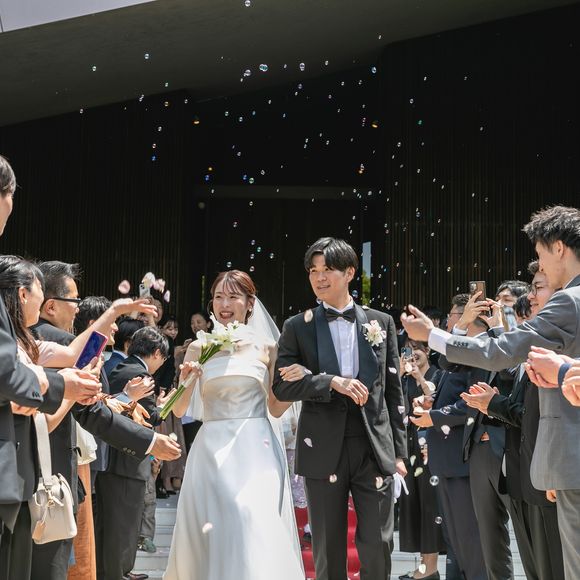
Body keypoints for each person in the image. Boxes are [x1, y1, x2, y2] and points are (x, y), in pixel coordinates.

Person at [401, 205, 580, 579]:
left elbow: (501, 351)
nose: (540, 266)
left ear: (559, 248)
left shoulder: (569, 300)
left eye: (540, 254)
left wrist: (433, 335)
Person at [273, 237, 407, 580]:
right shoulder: (297, 327)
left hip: (372, 445)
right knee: (328, 548)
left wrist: (399, 453)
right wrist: (329, 381)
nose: (319, 278)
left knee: (378, 543)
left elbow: (393, 393)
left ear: (349, 273)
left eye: (328, 270)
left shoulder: (381, 322)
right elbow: (282, 387)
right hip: (321, 444)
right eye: (313, 271)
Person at [164, 270, 304, 580]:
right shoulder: (199, 347)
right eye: (218, 297)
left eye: (232, 297)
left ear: (249, 303)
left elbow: (275, 408)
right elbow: (181, 408)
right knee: (216, 528)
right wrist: (186, 379)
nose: (224, 305)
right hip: (212, 449)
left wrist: (295, 386)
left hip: (256, 447)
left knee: (249, 517)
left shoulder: (267, 347)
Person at [462, 261, 564, 580]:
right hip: (517, 470)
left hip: (542, 471)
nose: (517, 320)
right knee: (529, 561)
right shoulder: (520, 353)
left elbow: (530, 413)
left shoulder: (552, 352)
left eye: (518, 311)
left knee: (551, 564)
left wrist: (493, 404)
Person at [398, 339, 445, 580]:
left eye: (416, 349)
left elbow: (437, 400)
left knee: (430, 506)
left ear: (427, 351)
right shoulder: (404, 380)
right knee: (414, 505)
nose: (413, 355)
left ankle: (430, 567)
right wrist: (399, 373)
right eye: (408, 350)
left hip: (431, 448)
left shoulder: (437, 373)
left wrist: (419, 377)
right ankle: (424, 566)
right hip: (409, 448)